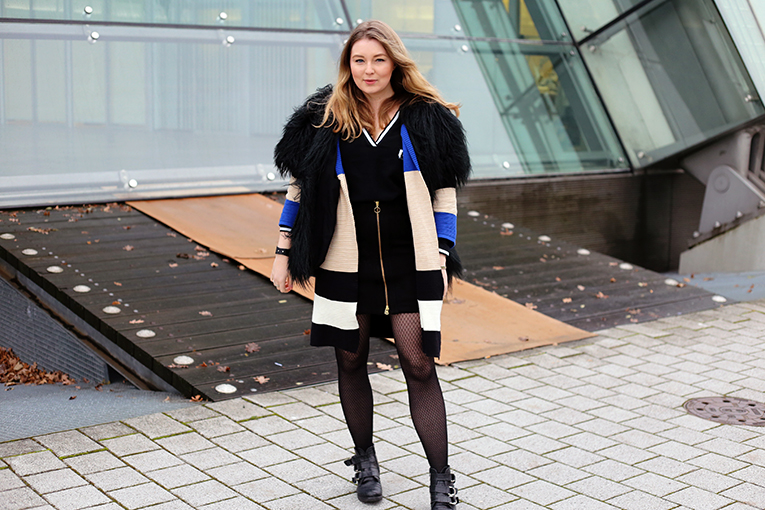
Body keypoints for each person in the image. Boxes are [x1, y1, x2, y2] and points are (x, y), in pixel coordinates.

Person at [270, 19, 469, 509]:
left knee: (418, 363)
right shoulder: (327, 117)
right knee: (350, 358)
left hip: (409, 259)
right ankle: (365, 460)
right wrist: (283, 251)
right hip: (345, 260)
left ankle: (441, 478)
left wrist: (442, 256)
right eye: (359, 60)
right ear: (348, 65)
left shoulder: (426, 117)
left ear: (395, 63)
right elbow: (300, 189)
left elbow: (444, 193)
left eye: (379, 59)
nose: (369, 69)